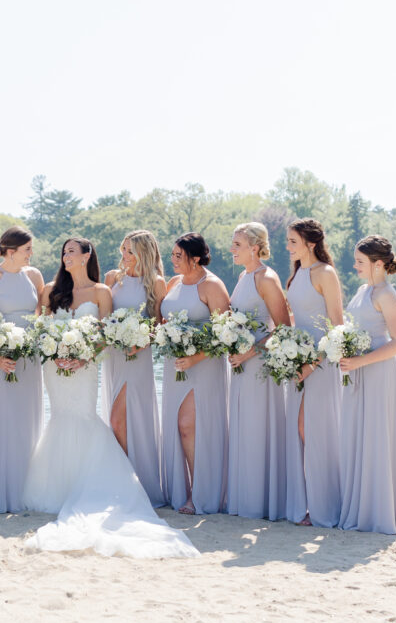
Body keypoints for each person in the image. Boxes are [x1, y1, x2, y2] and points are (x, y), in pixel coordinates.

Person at [23, 238, 198, 558]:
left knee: (95, 417)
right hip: (57, 365)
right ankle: (62, 486)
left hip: (91, 363)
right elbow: (41, 326)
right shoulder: (56, 289)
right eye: (64, 252)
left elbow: (106, 331)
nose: (65, 256)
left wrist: (84, 356)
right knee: (63, 417)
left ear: (88, 255)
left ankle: (121, 483)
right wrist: (54, 350)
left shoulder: (105, 290)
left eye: (72, 251)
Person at [338, 236, 396, 534]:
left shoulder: (386, 295)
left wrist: (359, 362)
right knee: (359, 438)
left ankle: (380, 513)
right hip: (358, 372)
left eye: (359, 261)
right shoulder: (362, 290)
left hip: (379, 374)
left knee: (378, 439)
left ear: (378, 264)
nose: (354, 266)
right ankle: (361, 506)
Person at [0, 227, 44, 513]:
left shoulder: (35, 275)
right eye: (28, 249)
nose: (31, 254)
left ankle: (29, 489)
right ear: (11, 251)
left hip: (30, 357)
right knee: (2, 420)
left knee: (27, 419)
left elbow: (41, 317)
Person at [225, 223, 291, 520]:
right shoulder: (243, 276)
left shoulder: (266, 278)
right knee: (243, 428)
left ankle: (263, 502)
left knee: (258, 428)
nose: (232, 249)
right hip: (240, 363)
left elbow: (284, 328)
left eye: (237, 244)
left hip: (259, 365)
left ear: (254, 247)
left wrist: (249, 352)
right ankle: (245, 499)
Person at [160, 233, 230, 515]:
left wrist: (195, 357)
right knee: (178, 428)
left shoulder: (211, 285)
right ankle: (184, 491)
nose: (173, 260)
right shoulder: (173, 283)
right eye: (173, 254)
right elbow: (164, 320)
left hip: (203, 366)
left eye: (179, 255)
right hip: (174, 364)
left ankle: (201, 493)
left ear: (196, 258)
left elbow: (226, 334)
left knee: (190, 426)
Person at [284, 219, 343, 528]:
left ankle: (324, 506)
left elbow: (336, 325)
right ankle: (305, 503)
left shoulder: (325, 273)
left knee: (315, 431)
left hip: (320, 362)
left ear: (310, 243)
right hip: (297, 361)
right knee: (299, 432)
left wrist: (311, 363)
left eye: (293, 241)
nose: (288, 246)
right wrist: (287, 352)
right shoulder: (295, 276)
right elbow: (296, 320)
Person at [102, 230, 167, 507]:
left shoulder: (156, 283)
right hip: (113, 356)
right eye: (123, 250)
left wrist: (140, 344)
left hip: (136, 357)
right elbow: (102, 319)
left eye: (130, 251)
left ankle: (130, 482)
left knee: (121, 419)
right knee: (116, 419)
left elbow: (158, 325)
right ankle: (121, 480)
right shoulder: (111, 279)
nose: (124, 256)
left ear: (144, 253)